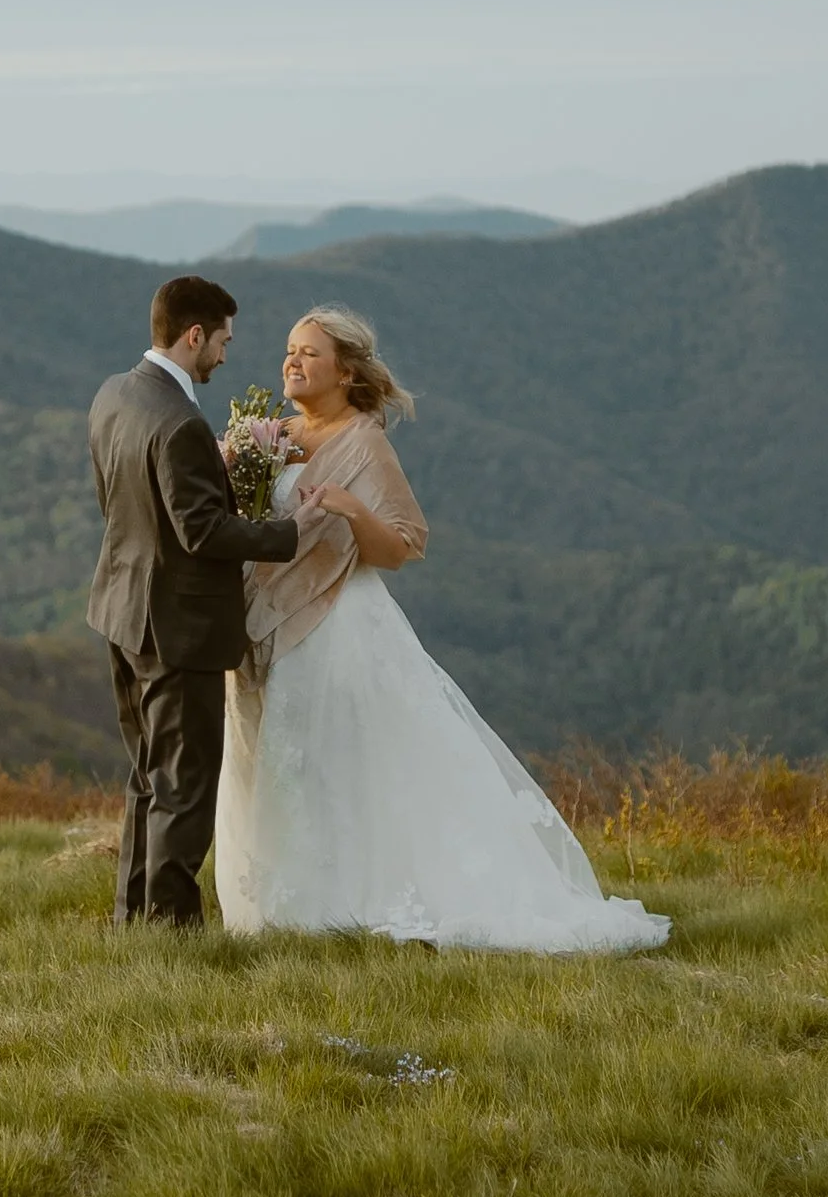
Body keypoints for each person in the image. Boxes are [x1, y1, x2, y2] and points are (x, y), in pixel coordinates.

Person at [215, 304, 669, 953]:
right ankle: (282, 911)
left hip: (338, 626)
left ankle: (344, 903)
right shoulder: (272, 435)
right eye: (289, 349)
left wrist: (345, 508)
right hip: (269, 624)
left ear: (344, 372)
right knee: (286, 770)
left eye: (310, 352)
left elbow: (404, 546)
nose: (293, 360)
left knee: (342, 765)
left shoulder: (362, 441)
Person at [86, 274, 309, 928]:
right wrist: (293, 530)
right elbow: (201, 532)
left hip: (122, 610)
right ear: (194, 335)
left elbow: (119, 503)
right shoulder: (180, 422)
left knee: (147, 776)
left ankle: (135, 918)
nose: (225, 355)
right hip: (176, 627)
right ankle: (172, 931)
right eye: (222, 341)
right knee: (184, 784)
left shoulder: (115, 395)